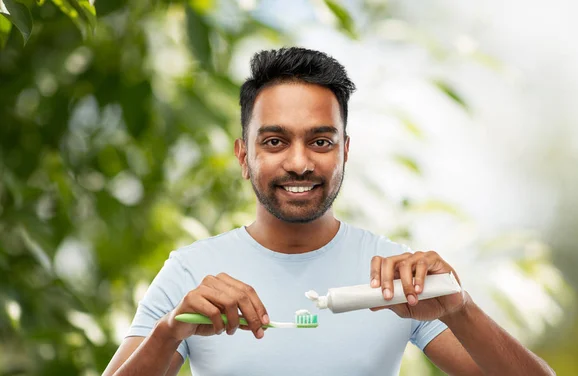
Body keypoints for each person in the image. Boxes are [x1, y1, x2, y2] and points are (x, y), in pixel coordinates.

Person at [103, 47, 555, 376]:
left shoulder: (397, 280)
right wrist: (168, 333)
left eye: (320, 141)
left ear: (345, 152)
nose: (299, 162)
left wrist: (461, 309)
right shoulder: (191, 272)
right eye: (275, 141)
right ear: (244, 156)